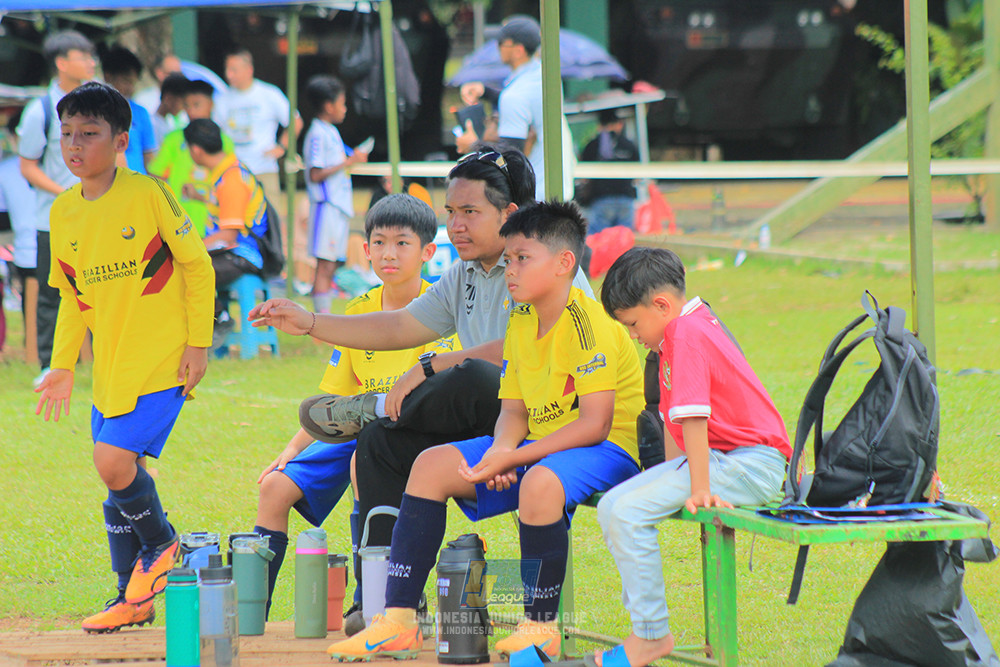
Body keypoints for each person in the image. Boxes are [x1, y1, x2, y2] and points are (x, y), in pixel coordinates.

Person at [249, 146, 593, 635]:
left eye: (470, 212)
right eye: (451, 212)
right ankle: (388, 604)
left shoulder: (556, 268)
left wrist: (434, 364)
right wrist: (309, 322)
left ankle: (374, 408)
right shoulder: (465, 273)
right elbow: (398, 326)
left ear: (509, 213)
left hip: (543, 422)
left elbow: (537, 348)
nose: (455, 225)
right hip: (488, 420)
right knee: (378, 445)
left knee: (475, 374)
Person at [322, 199, 643, 659]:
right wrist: (502, 449)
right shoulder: (522, 318)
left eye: (522, 259)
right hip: (538, 442)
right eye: (508, 259)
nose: (509, 270)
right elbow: (512, 412)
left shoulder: (587, 322)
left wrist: (515, 457)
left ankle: (541, 625)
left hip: (608, 446)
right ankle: (399, 619)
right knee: (431, 466)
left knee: (539, 483)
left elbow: (595, 425)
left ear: (564, 263)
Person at [34, 81, 214, 633]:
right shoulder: (62, 212)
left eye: (89, 134)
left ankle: (164, 545)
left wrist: (198, 345)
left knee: (112, 462)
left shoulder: (147, 193)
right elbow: (70, 296)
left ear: (120, 141)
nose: (75, 146)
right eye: (66, 134)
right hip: (109, 371)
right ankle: (129, 599)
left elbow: (197, 266)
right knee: (118, 477)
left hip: (161, 360)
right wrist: (63, 364)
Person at [253, 193, 457, 620]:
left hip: (409, 434)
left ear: (428, 252)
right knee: (273, 487)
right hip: (359, 425)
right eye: (379, 243)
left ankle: (375, 597)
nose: (389, 254)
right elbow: (333, 401)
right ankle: (250, 614)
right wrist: (291, 452)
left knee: (363, 461)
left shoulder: (443, 307)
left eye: (402, 243)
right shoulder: (358, 311)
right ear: (365, 250)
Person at [593, 247, 791, 667]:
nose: (632, 334)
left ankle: (650, 635)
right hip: (726, 460)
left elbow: (695, 417)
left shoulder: (685, 333)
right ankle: (644, 630)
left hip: (751, 464)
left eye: (632, 323)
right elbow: (675, 423)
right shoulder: (680, 331)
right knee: (612, 505)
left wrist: (698, 489)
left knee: (626, 514)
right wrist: (669, 478)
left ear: (661, 305)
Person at [17, 30, 96, 387]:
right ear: (62, 63)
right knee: (54, 291)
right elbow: (28, 165)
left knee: (105, 284)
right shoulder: (42, 110)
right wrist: (66, 191)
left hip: (98, 215)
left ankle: (104, 358)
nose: (91, 63)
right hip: (54, 218)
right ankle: (51, 365)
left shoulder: (99, 102)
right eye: (84, 57)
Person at [456, 15, 575, 200]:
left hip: (534, 197)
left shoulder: (515, 95)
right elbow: (522, 101)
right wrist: (485, 91)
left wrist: (472, 145)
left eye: (502, 42)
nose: (498, 47)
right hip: (559, 188)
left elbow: (511, 155)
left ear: (519, 50)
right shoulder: (545, 75)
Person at [183, 118, 270, 333]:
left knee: (187, 268)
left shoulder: (231, 179)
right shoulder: (225, 171)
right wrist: (200, 197)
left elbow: (228, 236)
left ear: (195, 150)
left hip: (243, 255)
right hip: (231, 252)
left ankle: (219, 319)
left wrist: (193, 247)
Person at [302, 75, 368, 315]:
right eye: (342, 103)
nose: (345, 108)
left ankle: (324, 317)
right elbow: (315, 173)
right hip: (325, 205)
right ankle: (320, 321)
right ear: (329, 106)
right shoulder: (317, 133)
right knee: (324, 265)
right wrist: (348, 162)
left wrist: (352, 158)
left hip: (337, 207)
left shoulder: (329, 132)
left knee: (331, 264)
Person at [217, 47, 301, 211]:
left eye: (234, 69)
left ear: (249, 70)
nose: (228, 74)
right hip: (233, 170)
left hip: (264, 168)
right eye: (227, 69)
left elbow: (295, 121)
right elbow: (216, 133)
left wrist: (282, 147)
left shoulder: (269, 94)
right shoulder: (222, 99)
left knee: (270, 217)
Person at [148, 79, 235, 237]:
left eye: (197, 105)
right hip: (179, 222)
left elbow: (229, 177)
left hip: (211, 224)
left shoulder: (224, 140)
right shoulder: (174, 138)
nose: (191, 111)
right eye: (187, 105)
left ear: (211, 105)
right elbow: (155, 174)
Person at [578, 109, 639, 235]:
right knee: (624, 242)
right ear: (618, 124)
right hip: (626, 198)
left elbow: (584, 177)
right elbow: (637, 176)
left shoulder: (592, 145)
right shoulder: (629, 145)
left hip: (601, 199)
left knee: (598, 241)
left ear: (600, 125)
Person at [100, 45, 158, 175]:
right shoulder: (95, 112)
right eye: (126, 82)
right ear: (108, 76)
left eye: (133, 83)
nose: (131, 88)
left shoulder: (141, 113)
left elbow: (149, 156)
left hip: (138, 184)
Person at [150, 72, 190, 148]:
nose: (184, 108)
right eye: (183, 103)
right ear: (168, 99)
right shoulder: (153, 125)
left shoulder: (171, 122)